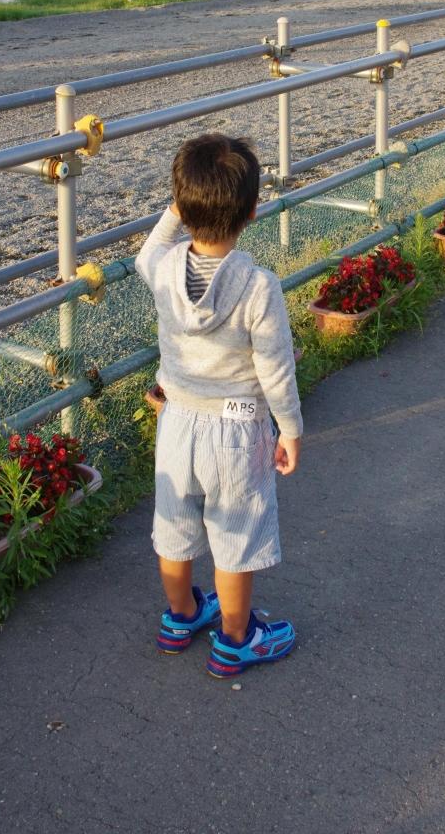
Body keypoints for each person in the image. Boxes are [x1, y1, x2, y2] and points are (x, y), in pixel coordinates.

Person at [135, 134, 303, 679]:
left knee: (175, 526)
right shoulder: (259, 288)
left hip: (177, 423)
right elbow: (275, 369)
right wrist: (290, 429)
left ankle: (182, 615)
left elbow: (146, 252)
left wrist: (176, 210)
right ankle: (236, 639)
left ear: (182, 210)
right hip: (237, 431)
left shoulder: (163, 273)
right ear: (254, 211)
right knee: (235, 535)